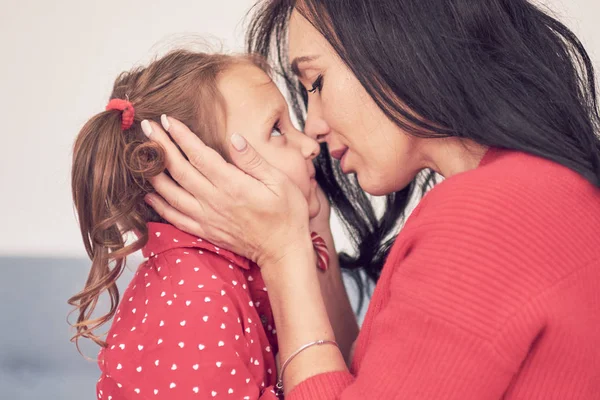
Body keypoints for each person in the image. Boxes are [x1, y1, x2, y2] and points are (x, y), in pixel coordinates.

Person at [141, 0, 600, 399]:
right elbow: (367, 383)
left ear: (399, 45)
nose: (313, 128)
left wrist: (280, 256)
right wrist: (307, 230)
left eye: (315, 82)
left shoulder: (488, 216)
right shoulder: (540, 187)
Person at [67, 49, 357, 399]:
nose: (310, 145)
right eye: (278, 130)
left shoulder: (248, 263)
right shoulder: (192, 299)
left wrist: (312, 227)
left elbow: (344, 376)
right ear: (203, 174)